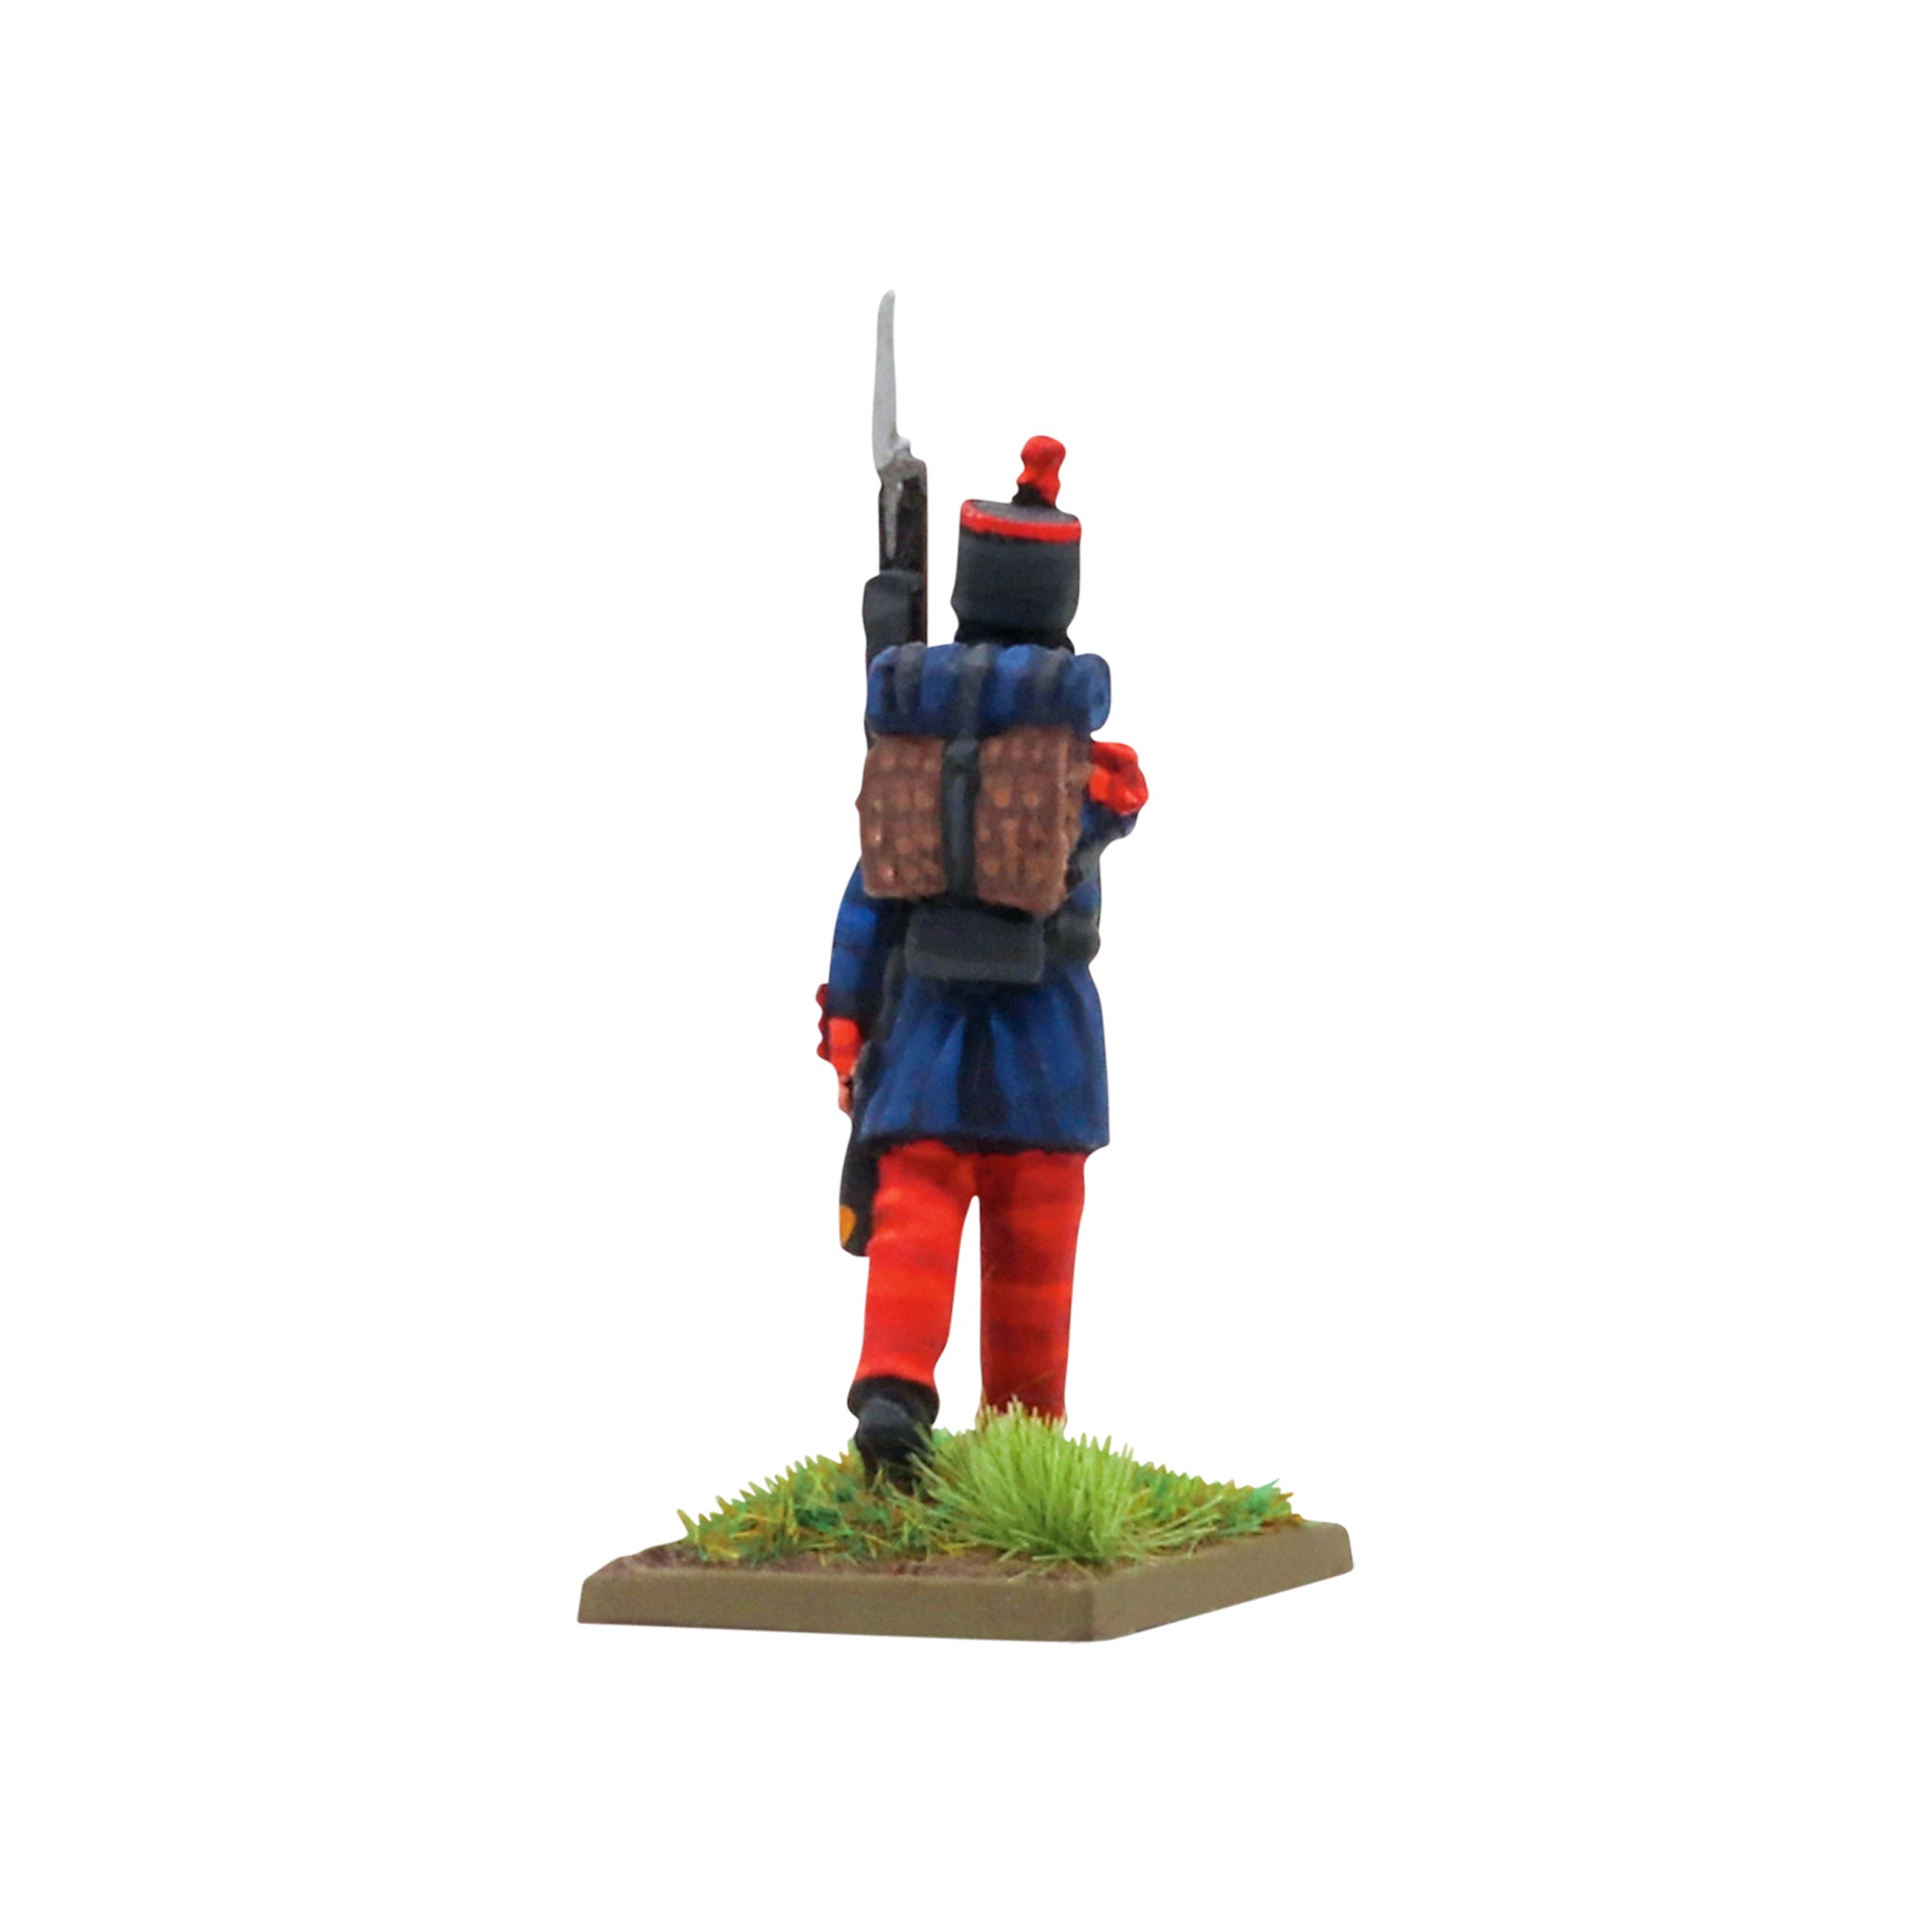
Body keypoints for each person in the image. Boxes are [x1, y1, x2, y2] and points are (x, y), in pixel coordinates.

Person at [816, 438, 1147, 1477]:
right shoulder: (1083, 758)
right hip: (1049, 1051)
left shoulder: (907, 740)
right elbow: (1115, 810)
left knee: (913, 1219)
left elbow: (870, 894)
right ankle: (1021, 1436)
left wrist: (848, 1024)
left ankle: (892, 1387)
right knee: (1033, 1249)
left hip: (925, 1037)